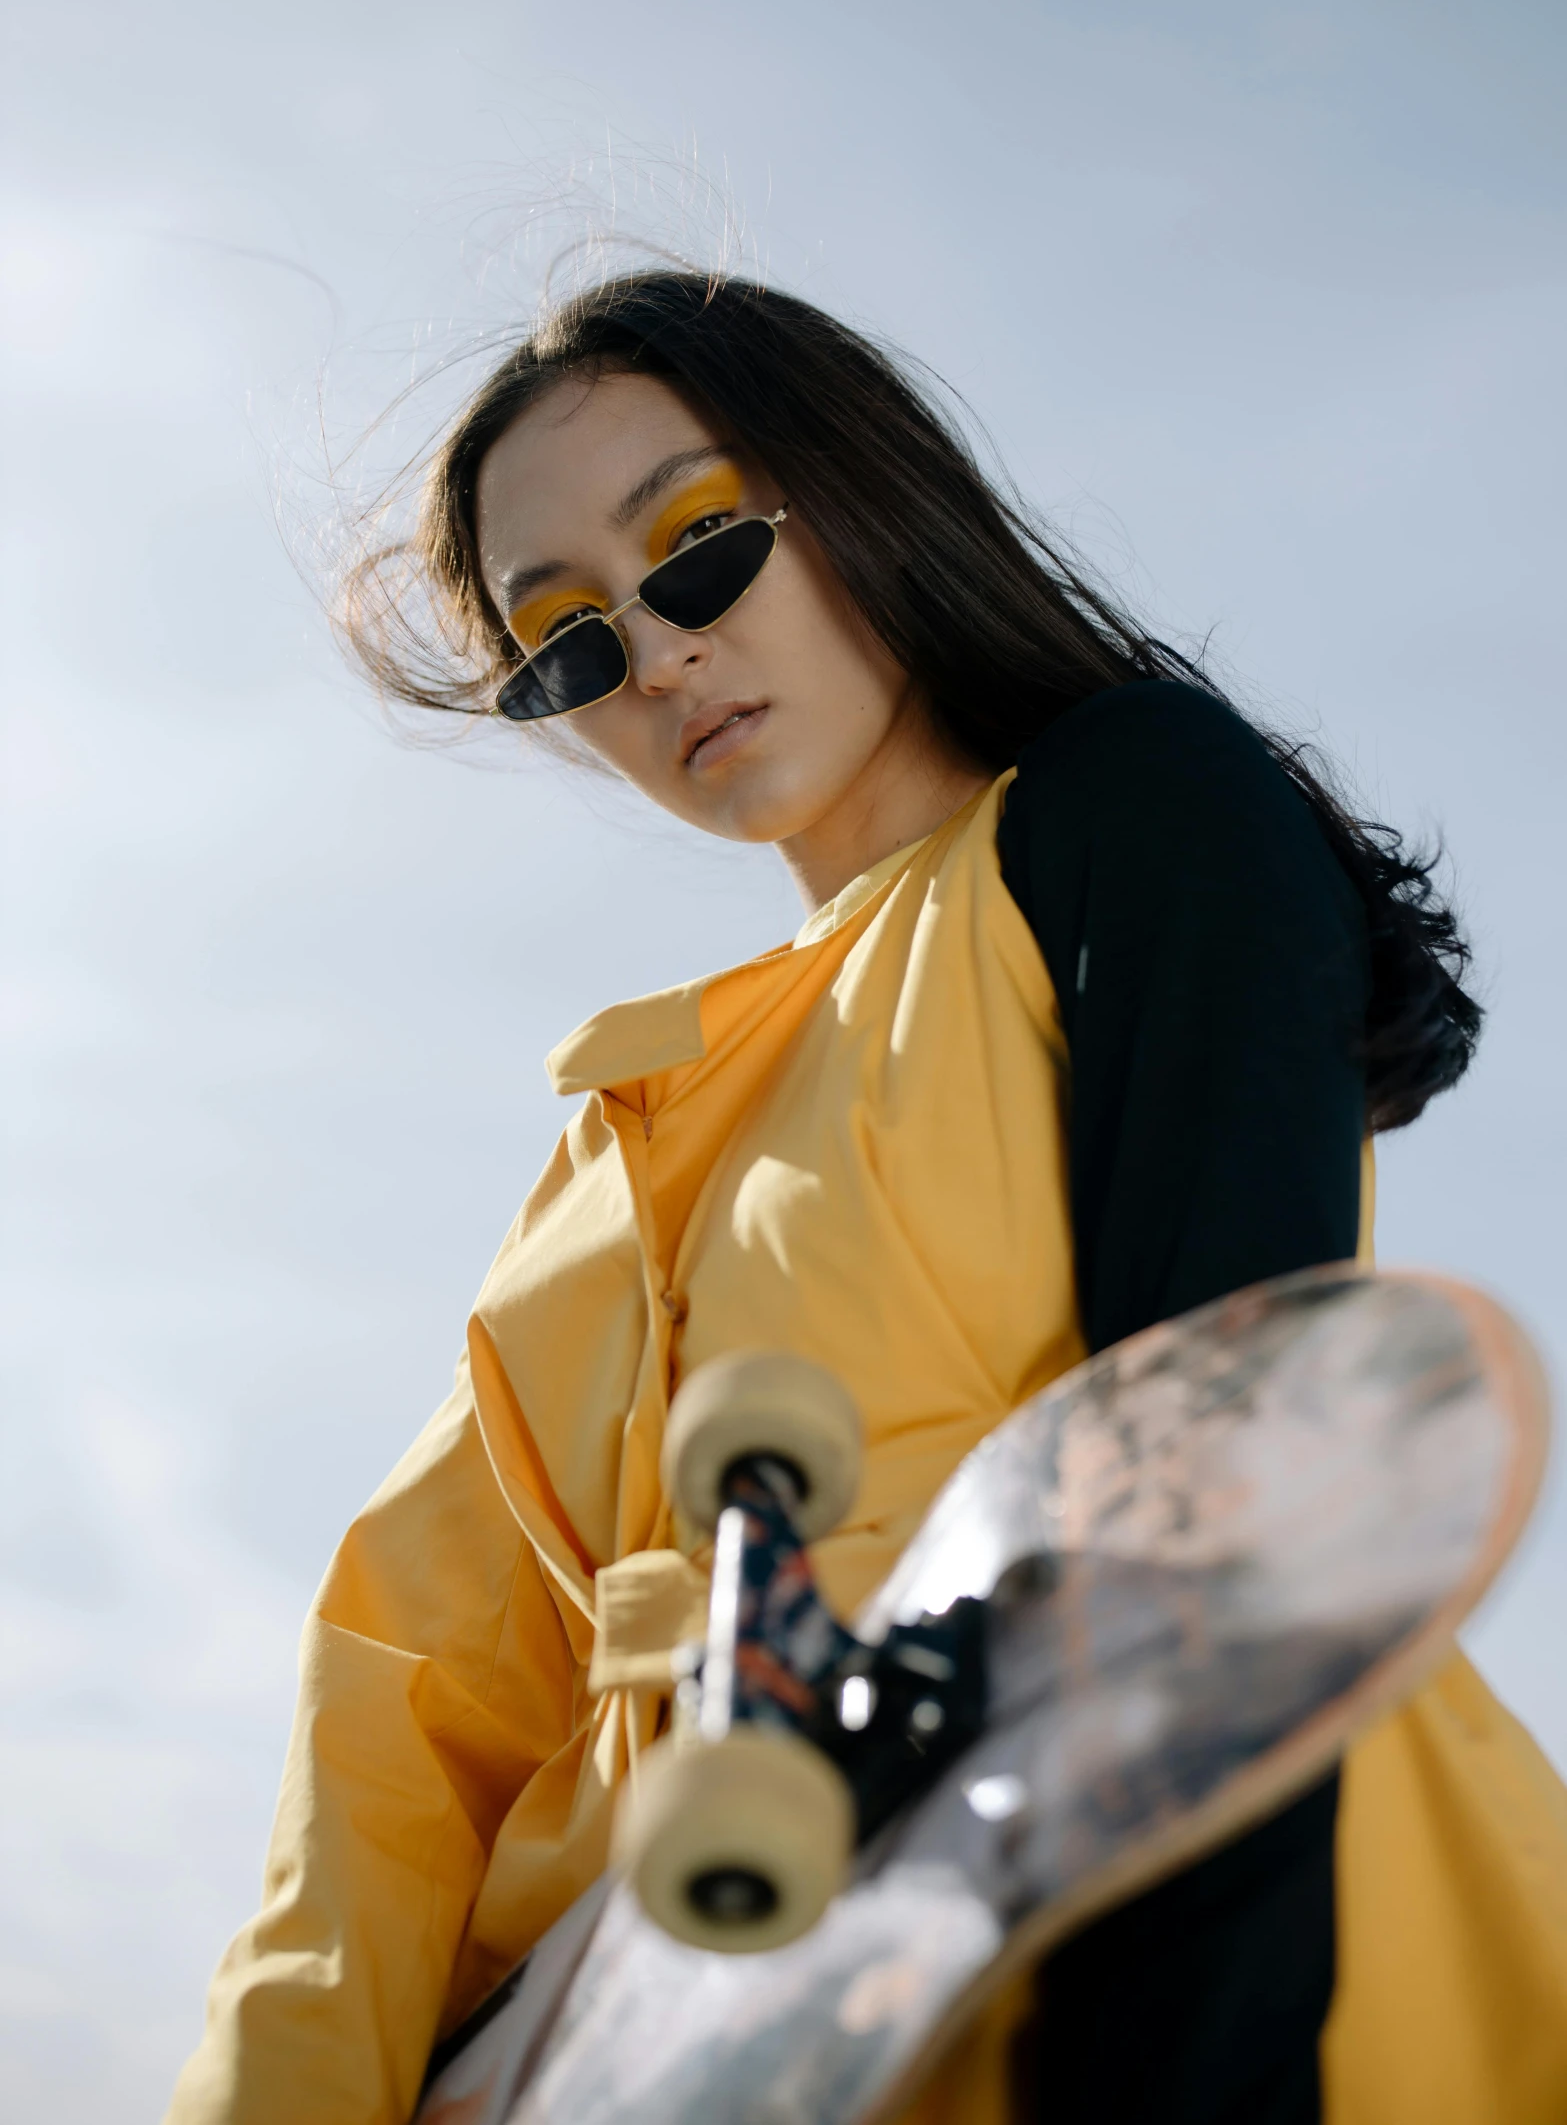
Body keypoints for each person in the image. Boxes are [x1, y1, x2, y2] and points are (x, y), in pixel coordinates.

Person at [168, 272, 1567, 2125]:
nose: (656, 655)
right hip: (670, 2033)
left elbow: (1230, 1506)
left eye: (695, 544)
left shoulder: (1128, 814)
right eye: (567, 642)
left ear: (854, 490)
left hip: (1162, 1943)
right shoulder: (606, 1158)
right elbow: (391, 1743)